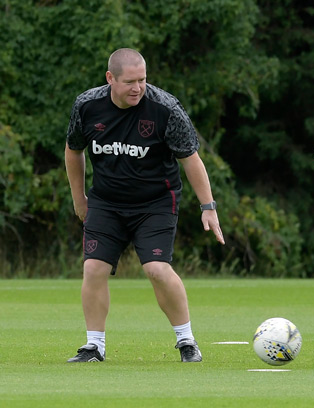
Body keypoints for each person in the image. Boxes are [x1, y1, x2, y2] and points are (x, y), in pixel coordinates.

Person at [64, 48, 225, 363]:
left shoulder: (165, 108)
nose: (138, 87)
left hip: (156, 203)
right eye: (129, 82)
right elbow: (73, 150)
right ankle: (94, 346)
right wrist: (79, 198)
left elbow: (191, 159)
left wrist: (208, 205)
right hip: (106, 202)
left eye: (143, 79)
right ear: (110, 78)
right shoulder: (87, 105)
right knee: (93, 268)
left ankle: (187, 341)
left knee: (157, 270)